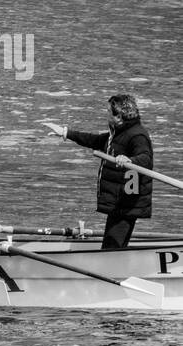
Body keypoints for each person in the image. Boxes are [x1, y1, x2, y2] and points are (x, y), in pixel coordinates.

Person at [42, 94, 154, 249]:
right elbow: (94, 140)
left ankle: (114, 271)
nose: (106, 114)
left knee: (111, 250)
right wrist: (66, 133)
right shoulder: (118, 133)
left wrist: (130, 160)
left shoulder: (137, 135)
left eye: (109, 111)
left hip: (127, 203)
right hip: (119, 201)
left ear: (119, 116)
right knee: (112, 246)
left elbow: (145, 158)